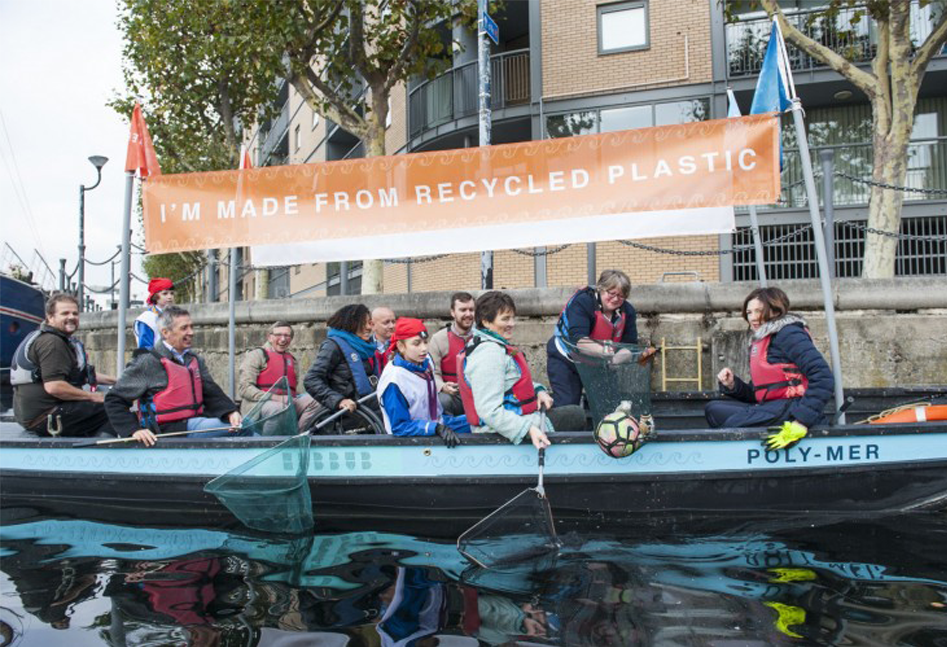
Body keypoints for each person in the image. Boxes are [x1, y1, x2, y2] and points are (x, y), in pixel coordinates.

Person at [105, 306, 248, 446]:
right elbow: (114, 399)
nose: (191, 332)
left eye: (192, 327)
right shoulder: (148, 362)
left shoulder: (194, 359)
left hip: (195, 421)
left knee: (244, 424)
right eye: (184, 328)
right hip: (168, 430)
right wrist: (133, 430)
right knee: (244, 428)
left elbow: (212, 392)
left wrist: (231, 412)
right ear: (166, 332)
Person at [458, 291, 585, 448]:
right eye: (505, 319)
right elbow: (489, 411)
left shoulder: (494, 346)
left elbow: (512, 383)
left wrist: (538, 390)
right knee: (575, 415)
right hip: (499, 431)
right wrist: (528, 430)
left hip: (522, 419)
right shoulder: (489, 354)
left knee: (570, 411)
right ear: (486, 322)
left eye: (512, 318)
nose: (512, 323)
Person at [704, 287, 834, 434]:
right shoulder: (764, 339)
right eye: (749, 312)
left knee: (733, 424)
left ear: (776, 311)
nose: (752, 318)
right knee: (713, 410)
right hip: (773, 406)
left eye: (758, 311)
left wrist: (802, 421)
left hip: (793, 409)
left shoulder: (789, 334)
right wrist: (733, 385)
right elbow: (759, 393)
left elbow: (823, 376)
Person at [11, 292, 116, 437]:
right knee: (116, 408)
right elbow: (54, 387)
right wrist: (94, 396)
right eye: (65, 313)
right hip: (47, 416)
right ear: (50, 317)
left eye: (75, 313)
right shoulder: (52, 343)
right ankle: (105, 451)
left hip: (38, 414)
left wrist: (117, 380)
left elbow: (84, 375)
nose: (71, 317)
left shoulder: (55, 339)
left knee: (109, 401)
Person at [547, 269, 652, 408]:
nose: (616, 299)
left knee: (610, 405)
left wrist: (615, 360)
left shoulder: (628, 311)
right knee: (567, 404)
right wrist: (606, 353)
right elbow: (579, 340)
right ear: (601, 289)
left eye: (621, 296)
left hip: (601, 362)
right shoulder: (583, 302)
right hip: (567, 358)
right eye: (612, 293)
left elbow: (628, 345)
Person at [377, 317, 470, 448]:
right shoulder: (394, 380)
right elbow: (399, 427)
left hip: (438, 424)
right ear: (401, 346)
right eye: (416, 344)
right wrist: (435, 428)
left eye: (425, 342)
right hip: (414, 439)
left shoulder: (425, 363)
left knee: (482, 420)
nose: (424, 349)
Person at [304, 303, 383, 429]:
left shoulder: (367, 348)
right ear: (352, 323)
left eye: (371, 323)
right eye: (366, 323)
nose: (370, 328)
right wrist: (339, 401)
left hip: (370, 414)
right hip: (344, 419)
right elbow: (311, 380)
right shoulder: (332, 346)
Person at [238, 321, 322, 433]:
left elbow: (292, 389)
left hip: (286, 403)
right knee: (278, 408)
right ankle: (267, 443)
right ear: (270, 337)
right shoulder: (257, 355)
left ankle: (298, 436)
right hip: (258, 406)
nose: (283, 339)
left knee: (316, 401)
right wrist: (275, 398)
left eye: (287, 336)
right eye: (278, 335)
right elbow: (244, 388)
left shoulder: (292, 360)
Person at [428, 291, 475, 417]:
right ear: (453, 312)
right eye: (463, 310)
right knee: (442, 400)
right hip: (452, 397)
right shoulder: (439, 339)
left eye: (471, 310)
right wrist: (442, 386)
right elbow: (432, 372)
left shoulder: (483, 337)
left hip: (478, 395)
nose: (468, 314)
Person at [135, 277, 175, 349]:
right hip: (154, 359)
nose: (170, 297)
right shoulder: (147, 319)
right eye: (165, 294)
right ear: (155, 297)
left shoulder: (175, 315)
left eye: (172, 293)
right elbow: (146, 348)